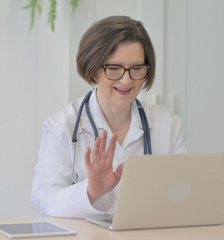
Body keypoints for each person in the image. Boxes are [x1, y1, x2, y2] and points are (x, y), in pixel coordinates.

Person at [31, 16, 188, 218]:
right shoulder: (62, 128)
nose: (126, 80)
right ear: (93, 69)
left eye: (137, 68)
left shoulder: (168, 126)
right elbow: (44, 200)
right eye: (114, 68)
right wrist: (91, 192)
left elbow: (184, 194)